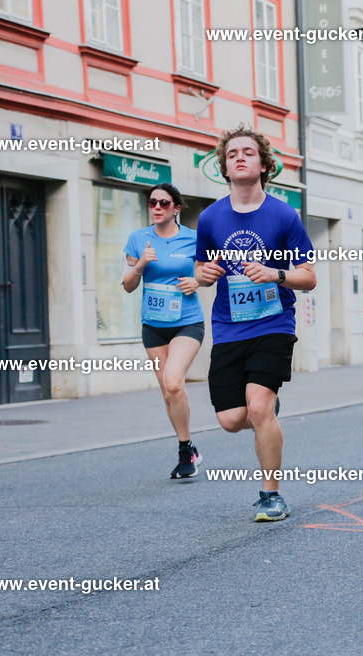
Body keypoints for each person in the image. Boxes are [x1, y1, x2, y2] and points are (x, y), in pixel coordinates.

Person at [195, 125, 316, 521]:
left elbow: (308, 276)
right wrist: (204, 275)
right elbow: (200, 268)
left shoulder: (283, 214)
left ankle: (271, 495)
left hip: (273, 324)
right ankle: (265, 413)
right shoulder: (211, 217)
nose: (240, 158)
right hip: (229, 326)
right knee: (231, 419)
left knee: (259, 407)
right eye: (232, 155)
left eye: (248, 152)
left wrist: (275, 274)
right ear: (225, 168)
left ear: (263, 164)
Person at [122, 183, 205, 478]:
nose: (157, 208)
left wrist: (197, 281)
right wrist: (141, 264)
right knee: (167, 392)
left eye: (164, 203)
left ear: (176, 208)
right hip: (153, 326)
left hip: (187, 321)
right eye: (152, 202)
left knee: (173, 383)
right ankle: (187, 448)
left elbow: (213, 270)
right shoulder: (138, 239)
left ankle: (186, 450)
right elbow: (128, 285)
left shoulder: (194, 238)